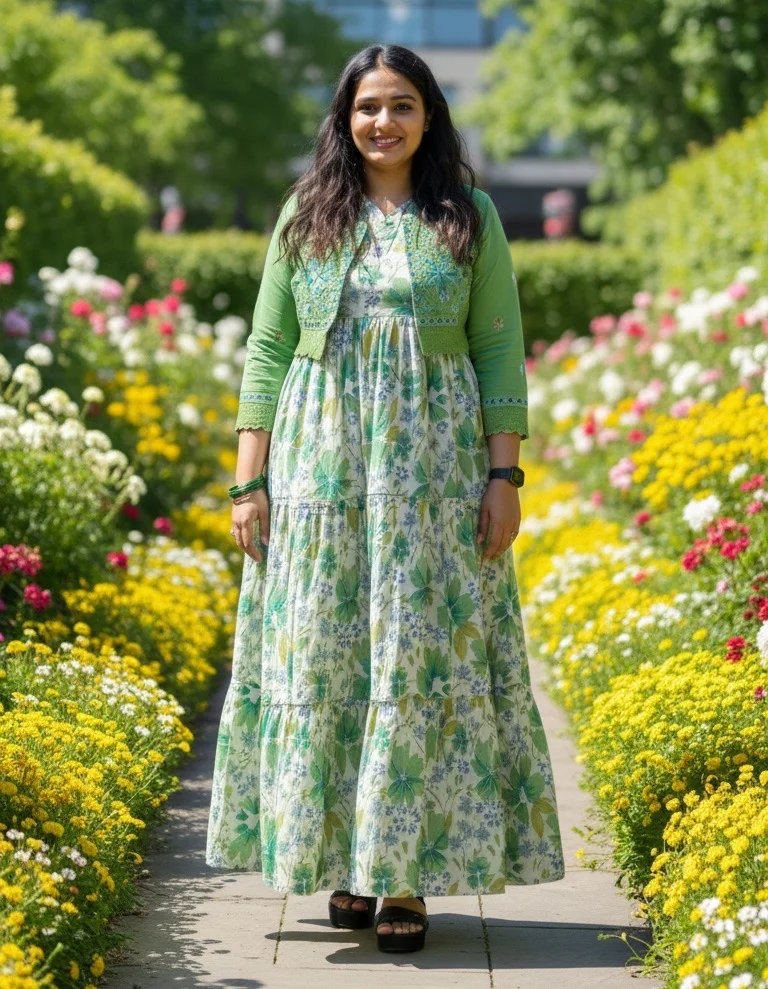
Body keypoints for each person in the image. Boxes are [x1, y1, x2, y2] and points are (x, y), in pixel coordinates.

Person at [205, 42, 565, 954]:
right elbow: (267, 351)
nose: (384, 122)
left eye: (402, 104)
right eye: (368, 106)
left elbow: (498, 354)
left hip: (432, 479)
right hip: (322, 469)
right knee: (328, 650)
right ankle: (346, 860)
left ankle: (401, 872)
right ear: (345, 116)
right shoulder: (307, 214)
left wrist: (504, 476)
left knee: (414, 657)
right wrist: (250, 481)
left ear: (430, 115)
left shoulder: (469, 216)